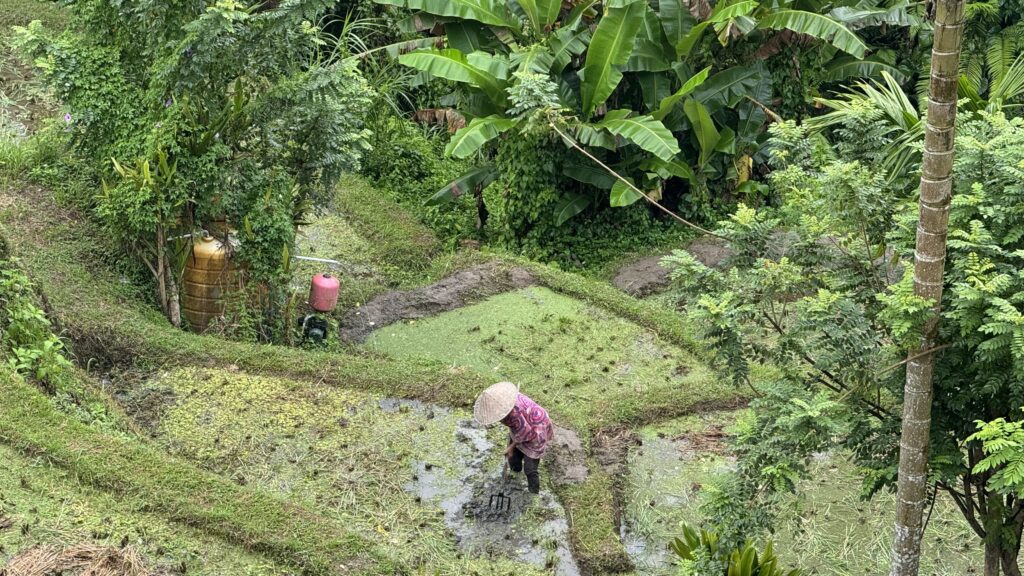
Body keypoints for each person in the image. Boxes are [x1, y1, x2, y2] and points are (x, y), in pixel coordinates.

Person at [473, 382, 553, 494]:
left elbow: (526, 432)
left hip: (536, 427)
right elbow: (517, 428)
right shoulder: (505, 406)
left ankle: (533, 493)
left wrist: (511, 447)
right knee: (513, 459)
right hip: (521, 426)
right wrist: (512, 446)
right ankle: (515, 475)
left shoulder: (515, 412)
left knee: (530, 469)